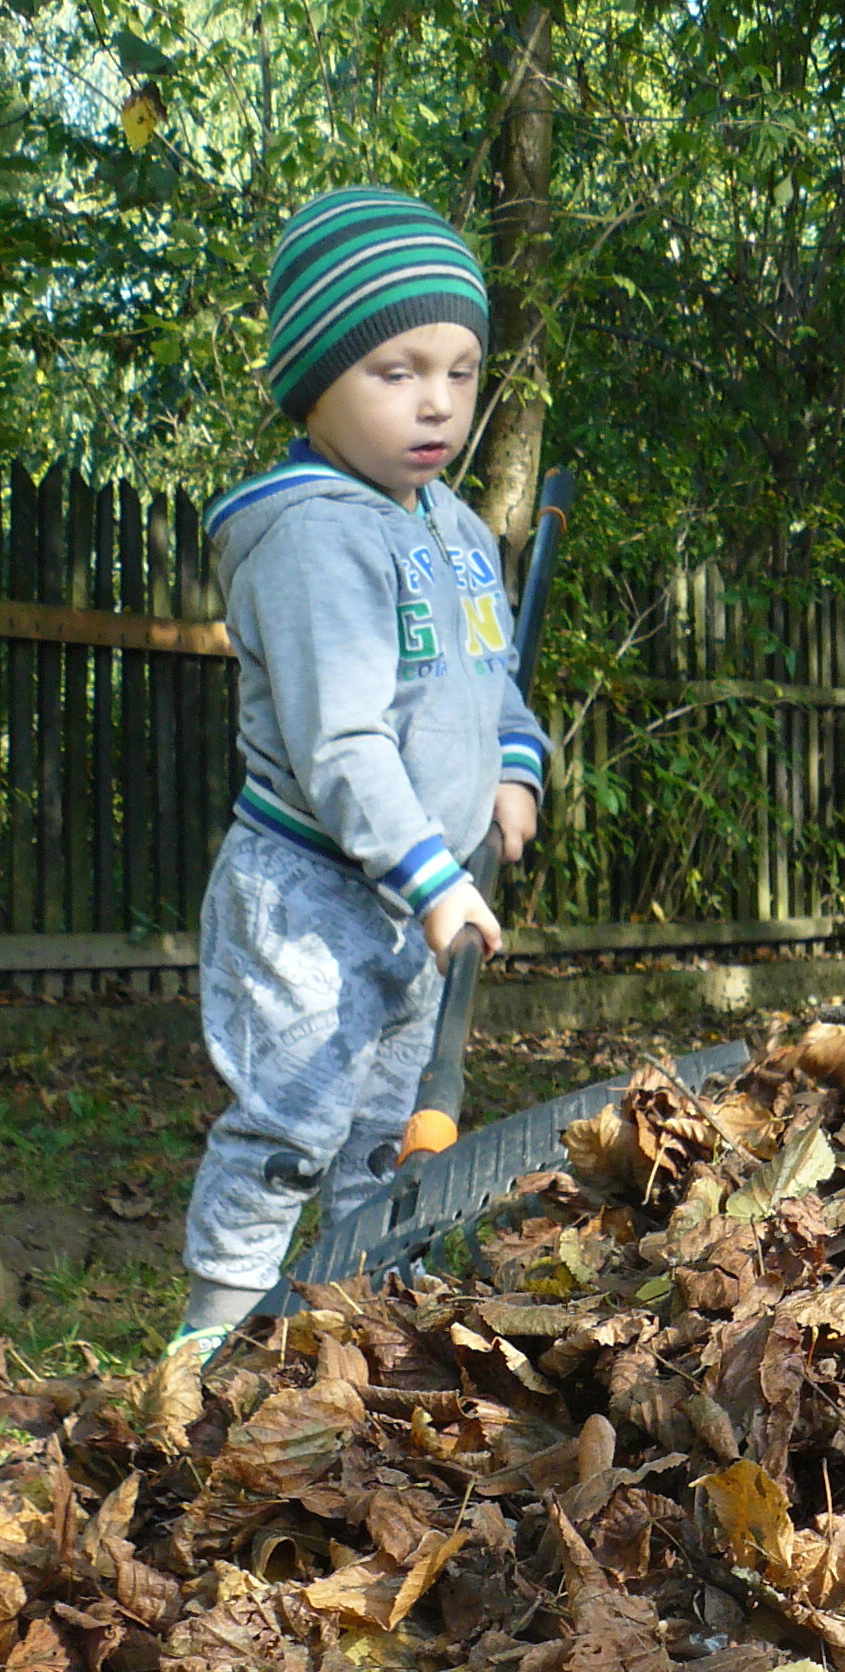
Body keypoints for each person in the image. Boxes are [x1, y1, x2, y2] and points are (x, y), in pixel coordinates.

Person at [170, 188, 550, 1367]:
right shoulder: (310, 536)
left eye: (459, 370)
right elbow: (340, 740)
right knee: (290, 1123)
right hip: (312, 894)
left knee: (385, 1137)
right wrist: (437, 879)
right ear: (314, 383)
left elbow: (490, 681)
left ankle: (348, 1335)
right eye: (394, 370)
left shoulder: (456, 530)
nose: (436, 400)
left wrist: (513, 771)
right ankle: (210, 1344)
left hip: (409, 904)